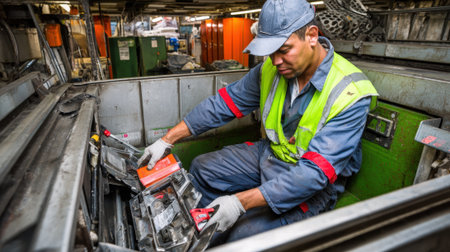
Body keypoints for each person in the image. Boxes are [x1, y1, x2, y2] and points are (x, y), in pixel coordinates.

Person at [137, 0, 378, 246]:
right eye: (271, 52)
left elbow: (313, 175)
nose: (275, 61)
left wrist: (239, 202)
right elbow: (223, 104)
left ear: (312, 36)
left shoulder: (350, 92)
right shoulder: (271, 71)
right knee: (202, 168)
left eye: (283, 50)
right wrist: (167, 140)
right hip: (272, 155)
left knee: (246, 234)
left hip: (310, 182)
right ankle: (196, 239)